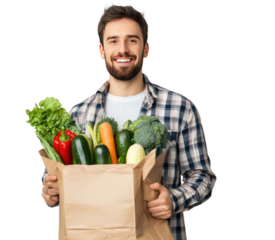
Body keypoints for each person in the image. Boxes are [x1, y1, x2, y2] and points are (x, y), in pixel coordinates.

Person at [40, 2, 217, 240]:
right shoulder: (78, 114)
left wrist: (174, 199)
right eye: (113, 41)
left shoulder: (181, 107)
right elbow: (55, 178)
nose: (123, 49)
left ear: (146, 49)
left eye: (132, 40)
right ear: (101, 51)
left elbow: (203, 177)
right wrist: (50, 192)